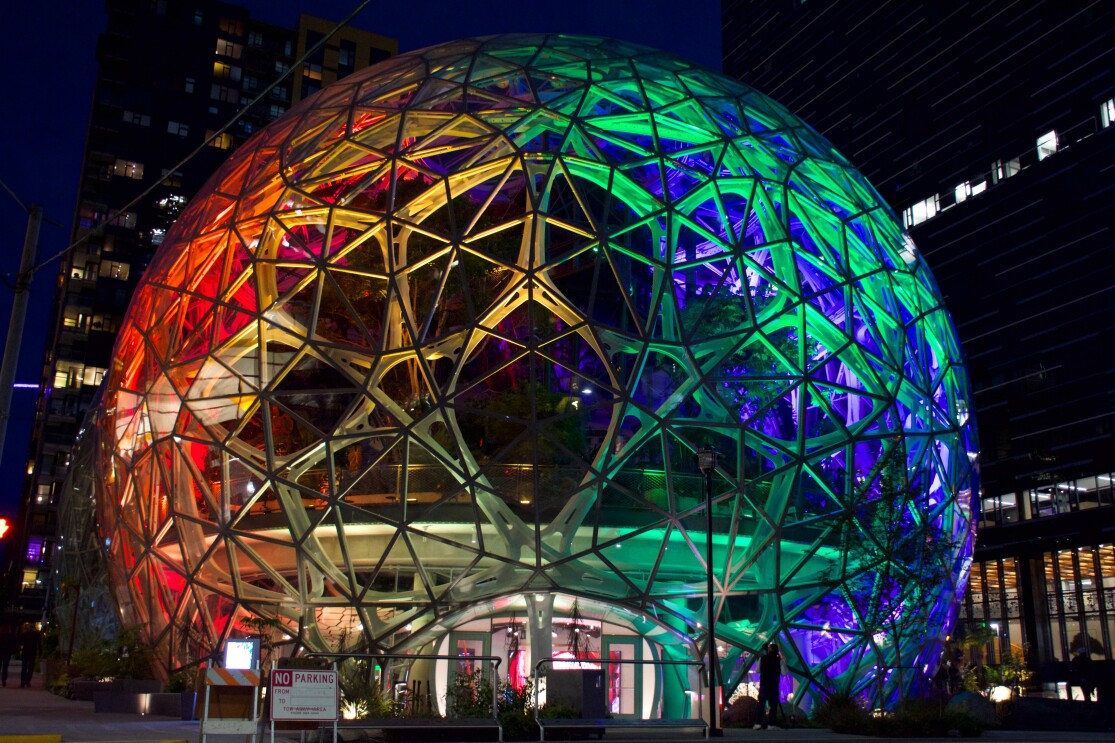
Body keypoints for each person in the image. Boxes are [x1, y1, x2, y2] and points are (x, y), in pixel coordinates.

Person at [754, 642, 784, 730]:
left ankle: (758, 723)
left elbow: (758, 670)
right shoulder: (779, 660)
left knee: (761, 705)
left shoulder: (763, 658)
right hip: (774, 685)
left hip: (764, 685)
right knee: (773, 705)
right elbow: (784, 673)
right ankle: (771, 724)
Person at [18, 623, 41, 689]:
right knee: (30, 667)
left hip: (25, 652)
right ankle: (28, 680)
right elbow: (39, 644)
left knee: (24, 667)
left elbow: (21, 643)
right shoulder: (36, 634)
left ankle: (22, 682)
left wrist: (20, 649)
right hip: (32, 652)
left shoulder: (24, 634)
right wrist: (40, 652)